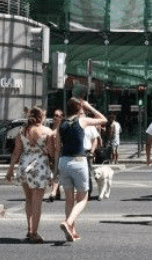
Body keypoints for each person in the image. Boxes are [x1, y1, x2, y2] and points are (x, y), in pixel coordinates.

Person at [57, 97, 107, 241]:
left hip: (64, 161)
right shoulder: (82, 121)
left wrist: (55, 170)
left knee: (69, 199)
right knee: (83, 199)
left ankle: (71, 231)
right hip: (78, 161)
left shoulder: (61, 124)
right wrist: (88, 107)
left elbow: (58, 147)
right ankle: (68, 222)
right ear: (80, 109)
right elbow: (103, 119)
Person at [6, 106, 56, 243]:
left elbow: (16, 152)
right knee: (37, 202)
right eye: (44, 115)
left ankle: (29, 228)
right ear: (41, 117)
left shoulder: (22, 131)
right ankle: (34, 233)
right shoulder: (46, 131)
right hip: (39, 165)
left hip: (24, 164)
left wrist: (10, 170)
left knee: (28, 199)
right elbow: (52, 152)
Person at [46, 108, 64, 202]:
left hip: (60, 154)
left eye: (57, 116)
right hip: (52, 155)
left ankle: (53, 193)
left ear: (61, 117)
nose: (55, 117)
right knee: (54, 173)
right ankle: (57, 193)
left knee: (56, 174)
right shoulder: (52, 127)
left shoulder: (62, 128)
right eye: (54, 115)